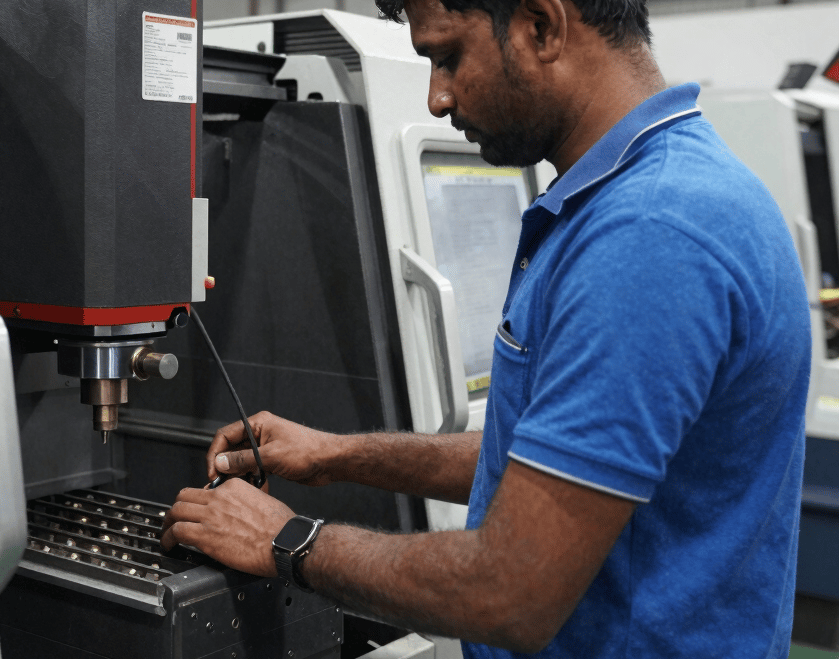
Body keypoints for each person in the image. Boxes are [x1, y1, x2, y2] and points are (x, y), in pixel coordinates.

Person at [160, 0, 811, 656]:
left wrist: (288, 539)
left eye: (448, 57)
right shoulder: (657, 192)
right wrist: (337, 454)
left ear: (542, 25)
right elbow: (553, 456)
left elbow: (510, 592)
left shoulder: (650, 234)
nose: (437, 98)